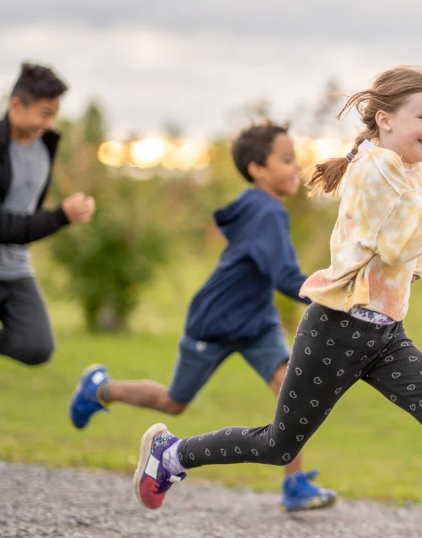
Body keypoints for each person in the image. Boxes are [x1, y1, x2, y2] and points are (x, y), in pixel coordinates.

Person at [130, 66, 422, 538]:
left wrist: (421, 231)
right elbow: (402, 244)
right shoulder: (376, 166)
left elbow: (403, 259)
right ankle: (170, 455)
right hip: (338, 329)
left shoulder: (414, 172)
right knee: (279, 444)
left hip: (384, 335)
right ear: (385, 120)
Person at [69, 121, 337, 512]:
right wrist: (334, 295)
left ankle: (294, 484)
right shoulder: (266, 211)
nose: (296, 166)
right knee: (173, 402)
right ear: (258, 169)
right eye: (286, 159)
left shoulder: (263, 207)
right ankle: (100, 388)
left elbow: (273, 272)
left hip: (257, 323)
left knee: (287, 388)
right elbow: (284, 277)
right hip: (215, 323)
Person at [0, 61, 96, 367]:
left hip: (16, 268)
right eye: (45, 114)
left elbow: (28, 209)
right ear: (16, 106)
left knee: (37, 347)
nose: (51, 123)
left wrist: (66, 213)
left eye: (54, 114)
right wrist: (60, 217)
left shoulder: (45, 147)